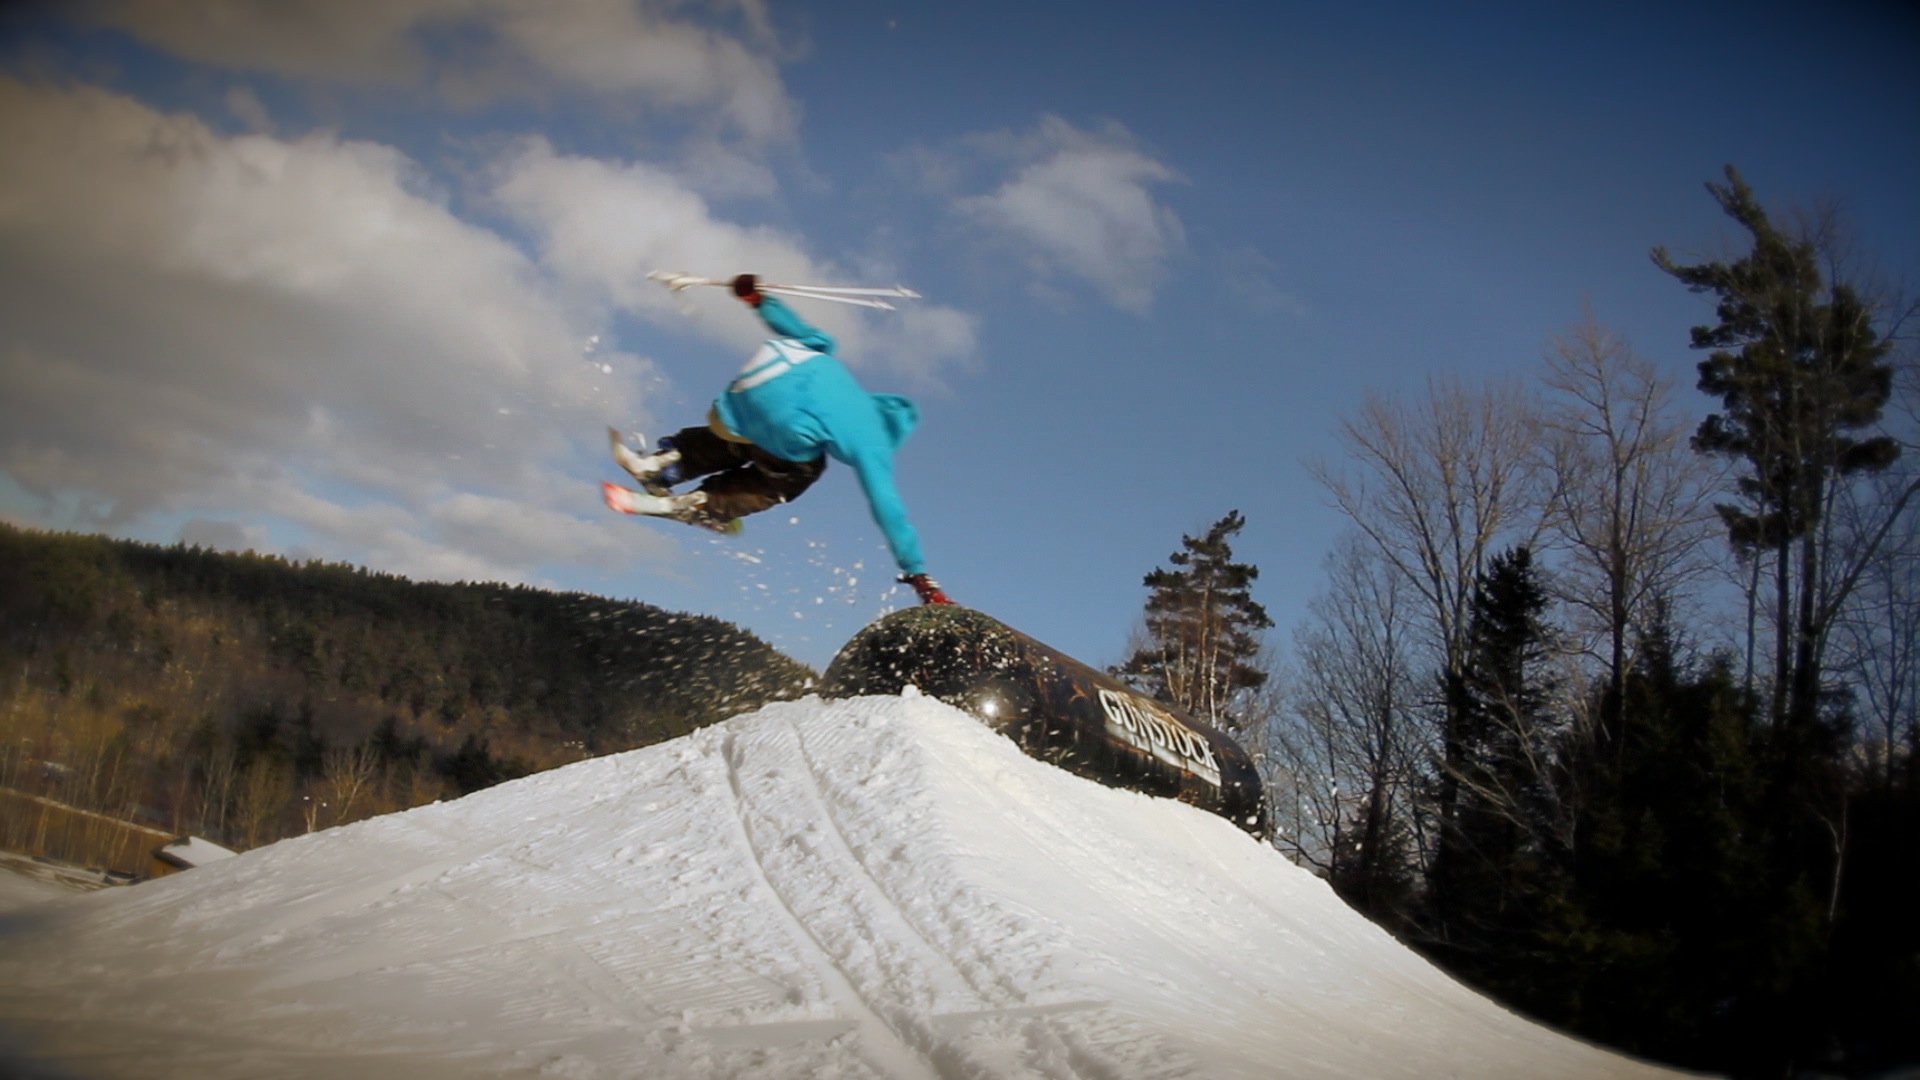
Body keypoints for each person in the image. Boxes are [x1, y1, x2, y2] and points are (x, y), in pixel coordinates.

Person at [604, 273, 952, 605]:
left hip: (736, 402)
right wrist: (917, 573)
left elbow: (790, 325)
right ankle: (699, 504)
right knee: (801, 469)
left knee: (753, 436)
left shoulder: (828, 355)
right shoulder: (871, 438)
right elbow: (886, 505)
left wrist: (755, 297)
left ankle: (661, 465)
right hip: (777, 428)